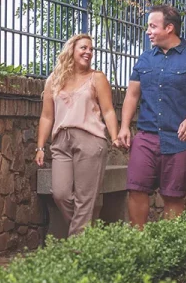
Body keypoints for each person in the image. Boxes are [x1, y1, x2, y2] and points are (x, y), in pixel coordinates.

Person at [116, 4, 186, 228]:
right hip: (146, 137)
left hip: (181, 139)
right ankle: (138, 242)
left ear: (169, 28)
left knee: (173, 195)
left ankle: (169, 246)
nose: (148, 31)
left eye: (152, 26)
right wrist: (124, 126)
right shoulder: (145, 59)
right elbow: (131, 95)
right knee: (136, 188)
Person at [35, 34, 121, 236]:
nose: (88, 52)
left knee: (85, 199)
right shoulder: (54, 80)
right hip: (60, 142)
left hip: (90, 140)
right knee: (61, 193)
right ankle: (88, 236)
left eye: (91, 49)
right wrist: (40, 147)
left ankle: (76, 251)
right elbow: (47, 117)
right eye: (84, 48)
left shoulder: (97, 78)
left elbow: (108, 111)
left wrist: (115, 136)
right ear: (71, 50)